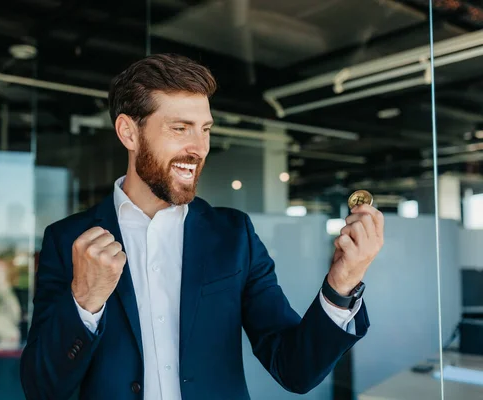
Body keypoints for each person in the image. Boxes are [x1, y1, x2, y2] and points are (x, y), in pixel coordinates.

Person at [20, 54, 384, 400]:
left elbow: (295, 369)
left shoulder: (233, 235)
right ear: (128, 133)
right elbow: (42, 388)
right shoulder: (68, 240)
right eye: (180, 128)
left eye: (205, 129)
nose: (198, 148)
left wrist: (342, 285)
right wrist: (84, 303)